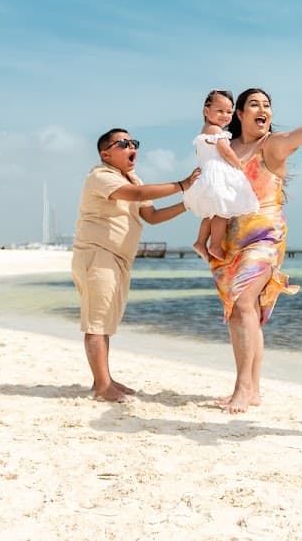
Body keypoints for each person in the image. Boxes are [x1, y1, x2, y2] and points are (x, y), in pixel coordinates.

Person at [208, 88, 302, 413]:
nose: (263, 110)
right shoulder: (224, 149)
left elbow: (293, 138)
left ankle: (243, 389)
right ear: (239, 114)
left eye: (267, 105)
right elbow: (213, 193)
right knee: (241, 313)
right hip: (230, 237)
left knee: (243, 301)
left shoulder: (270, 145)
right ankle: (251, 388)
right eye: (254, 104)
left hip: (265, 235)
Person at [71, 128, 199, 403]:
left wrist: (188, 203)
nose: (132, 148)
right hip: (97, 255)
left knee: (106, 323)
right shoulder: (100, 176)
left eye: (134, 143)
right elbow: (137, 194)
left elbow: (151, 216)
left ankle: (103, 380)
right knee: (96, 324)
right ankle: (102, 387)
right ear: (106, 153)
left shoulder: (132, 178)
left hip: (118, 259)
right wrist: (182, 184)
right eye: (124, 144)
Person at [184, 90, 260, 262]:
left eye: (228, 112)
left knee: (210, 213)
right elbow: (226, 152)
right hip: (217, 174)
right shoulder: (215, 130)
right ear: (206, 111)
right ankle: (215, 245)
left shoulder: (204, 130)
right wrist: (239, 165)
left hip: (206, 173)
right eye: (220, 111)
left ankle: (200, 242)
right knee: (221, 212)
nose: (225, 115)